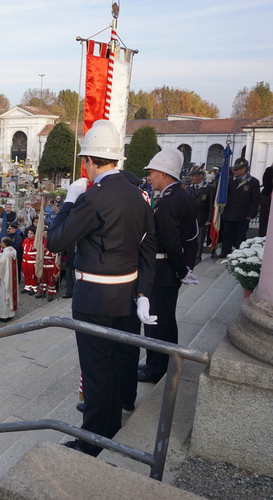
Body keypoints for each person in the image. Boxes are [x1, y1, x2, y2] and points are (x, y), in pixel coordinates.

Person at [47, 119, 156, 457]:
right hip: (125, 296)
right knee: (115, 367)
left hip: (94, 297)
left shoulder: (93, 197)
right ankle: (109, 428)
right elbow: (147, 245)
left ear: (90, 162)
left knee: (96, 374)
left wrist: (69, 201)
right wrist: (144, 293)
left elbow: (56, 240)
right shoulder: (138, 195)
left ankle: (90, 443)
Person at [139, 150, 198, 384]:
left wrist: (180, 270)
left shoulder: (171, 200)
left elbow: (171, 241)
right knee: (165, 319)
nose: (149, 177)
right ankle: (159, 361)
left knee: (157, 321)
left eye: (152, 172)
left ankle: (156, 368)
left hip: (162, 269)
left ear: (164, 173)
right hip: (167, 268)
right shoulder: (176, 196)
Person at [221, 158, 261, 257]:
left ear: (243, 170)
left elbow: (255, 200)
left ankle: (238, 254)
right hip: (229, 212)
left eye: (236, 169)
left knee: (240, 235)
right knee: (227, 234)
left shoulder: (253, 182)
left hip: (243, 213)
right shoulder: (229, 181)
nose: (233, 171)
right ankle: (225, 251)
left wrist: (252, 214)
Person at [185, 165, 216, 266]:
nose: (191, 178)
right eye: (191, 176)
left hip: (202, 219)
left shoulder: (209, 188)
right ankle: (189, 257)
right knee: (189, 240)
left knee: (199, 241)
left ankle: (197, 258)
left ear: (200, 176)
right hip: (189, 219)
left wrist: (209, 219)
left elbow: (211, 205)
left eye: (193, 175)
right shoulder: (188, 189)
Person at [0, 237, 18, 322]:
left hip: (4, 279)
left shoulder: (5, 254)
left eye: (1, 242)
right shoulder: (12, 250)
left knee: (3, 296)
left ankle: (3, 316)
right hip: (10, 277)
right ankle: (10, 314)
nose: (0, 243)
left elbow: (0, 267)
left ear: (4, 243)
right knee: (10, 295)